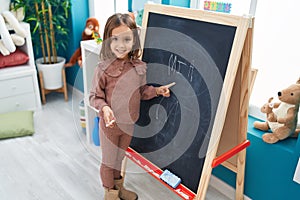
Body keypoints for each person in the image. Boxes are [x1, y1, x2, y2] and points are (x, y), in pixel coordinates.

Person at [89, 13, 171, 200]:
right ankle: (110, 193)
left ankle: (119, 187)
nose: (121, 44)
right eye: (115, 39)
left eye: (127, 39)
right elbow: (94, 96)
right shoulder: (103, 69)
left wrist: (158, 91)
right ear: (108, 40)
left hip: (129, 125)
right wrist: (105, 108)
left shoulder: (138, 67)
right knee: (109, 161)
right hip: (110, 127)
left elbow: (141, 92)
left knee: (120, 158)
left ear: (134, 40)